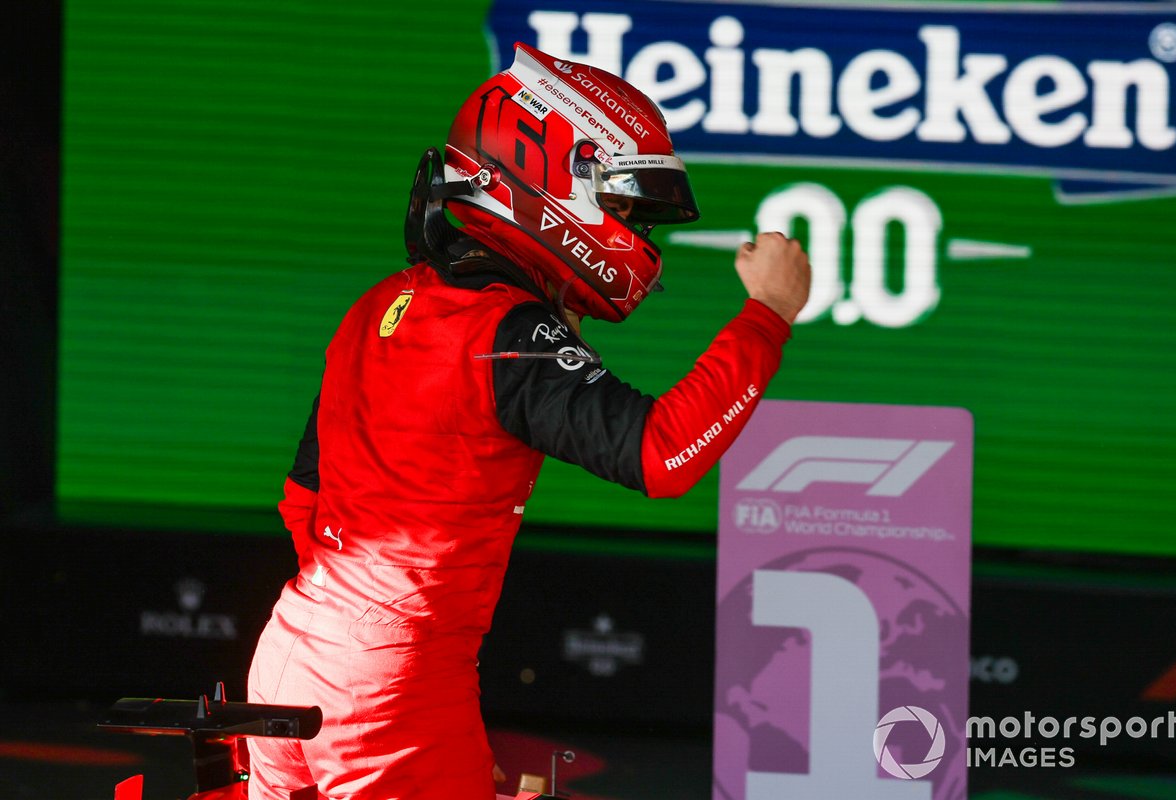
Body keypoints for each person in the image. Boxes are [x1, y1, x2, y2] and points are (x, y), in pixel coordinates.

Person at [245, 42, 811, 800]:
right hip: (394, 684)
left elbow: (303, 499)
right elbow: (665, 454)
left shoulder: (378, 304)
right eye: (621, 206)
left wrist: (357, 644)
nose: (637, 234)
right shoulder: (507, 335)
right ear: (549, 180)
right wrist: (769, 313)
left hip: (288, 651)